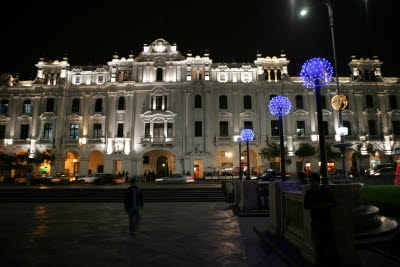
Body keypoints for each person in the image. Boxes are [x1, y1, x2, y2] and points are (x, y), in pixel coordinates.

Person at [304, 173, 337, 267]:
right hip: (315, 221)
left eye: (311, 181)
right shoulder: (309, 193)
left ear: (317, 181)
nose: (310, 183)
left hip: (326, 220)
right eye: (309, 181)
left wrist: (324, 205)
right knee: (318, 243)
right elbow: (306, 206)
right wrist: (317, 206)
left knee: (328, 242)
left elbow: (333, 203)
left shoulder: (326, 191)